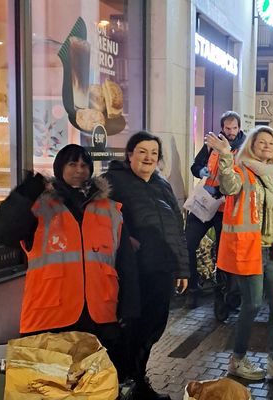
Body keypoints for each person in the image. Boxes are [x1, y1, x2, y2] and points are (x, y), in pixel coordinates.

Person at [0, 144, 140, 376]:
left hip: (99, 317)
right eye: (72, 164)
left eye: (84, 164)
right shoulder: (39, 207)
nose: (79, 170)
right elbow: (1, 231)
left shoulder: (109, 210)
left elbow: (126, 264)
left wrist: (129, 309)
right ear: (60, 168)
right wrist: (25, 193)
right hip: (50, 319)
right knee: (53, 387)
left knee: (96, 387)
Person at [103, 132, 189, 400]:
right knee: (130, 328)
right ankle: (122, 383)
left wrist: (182, 269)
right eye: (142, 151)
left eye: (153, 152)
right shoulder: (112, 182)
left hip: (160, 269)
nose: (148, 157)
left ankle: (137, 381)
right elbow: (102, 222)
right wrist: (124, 239)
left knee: (153, 327)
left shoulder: (162, 185)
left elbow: (177, 228)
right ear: (129, 155)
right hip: (132, 271)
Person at [205, 126, 273, 381]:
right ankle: (237, 360)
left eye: (270, 143)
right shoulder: (242, 170)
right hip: (250, 248)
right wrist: (225, 155)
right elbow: (229, 187)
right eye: (261, 142)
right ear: (251, 145)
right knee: (251, 304)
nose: (266, 146)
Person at [186, 111, 246, 308]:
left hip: (225, 207)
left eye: (234, 128)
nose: (231, 132)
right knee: (187, 244)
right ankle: (192, 288)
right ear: (222, 128)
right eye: (227, 128)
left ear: (239, 127)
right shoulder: (212, 143)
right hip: (204, 203)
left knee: (223, 253)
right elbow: (196, 166)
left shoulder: (244, 148)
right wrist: (200, 170)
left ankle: (222, 296)